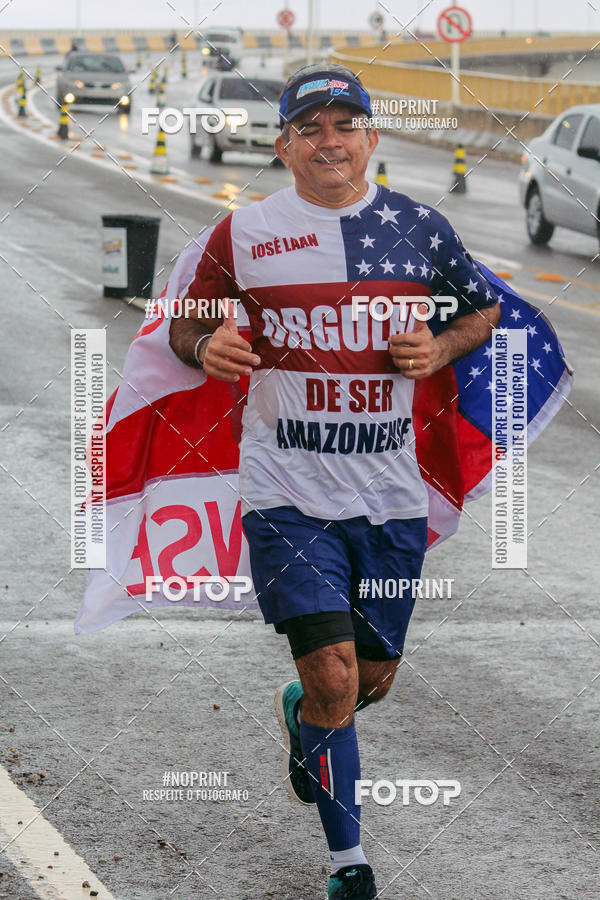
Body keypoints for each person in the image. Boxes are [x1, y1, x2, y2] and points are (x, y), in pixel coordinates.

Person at [169, 63, 501, 899]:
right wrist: (204, 347)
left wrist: (443, 347)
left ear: (371, 140)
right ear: (282, 146)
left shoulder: (419, 228)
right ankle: (348, 863)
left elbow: (481, 307)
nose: (329, 141)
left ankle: (304, 716)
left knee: (371, 678)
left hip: (389, 498)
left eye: (345, 125)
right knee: (336, 676)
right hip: (287, 491)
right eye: (310, 128)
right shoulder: (242, 235)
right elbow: (187, 319)